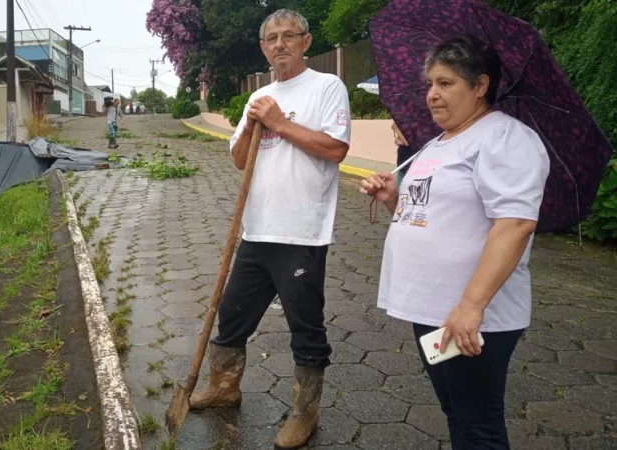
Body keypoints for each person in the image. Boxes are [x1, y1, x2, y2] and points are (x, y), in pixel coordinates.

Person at [361, 35, 550, 450]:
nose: (432, 95)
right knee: (456, 411)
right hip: (431, 309)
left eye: (445, 84)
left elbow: (516, 223)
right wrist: (394, 199)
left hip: (470, 316)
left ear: (480, 86)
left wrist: (471, 306)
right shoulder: (436, 143)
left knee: (479, 423)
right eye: (430, 83)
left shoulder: (504, 138)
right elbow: (428, 216)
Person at [189, 9, 351, 450]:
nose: (279, 44)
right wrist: (255, 125)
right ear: (263, 48)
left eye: (288, 36)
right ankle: (225, 387)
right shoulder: (257, 97)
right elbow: (241, 159)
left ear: (305, 41)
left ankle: (304, 414)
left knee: (306, 327)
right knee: (233, 314)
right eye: (271, 38)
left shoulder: (326, 87)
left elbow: (336, 149)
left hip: (301, 234)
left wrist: (280, 122)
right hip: (256, 231)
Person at [391, 122, 418, 187]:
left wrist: (396, 128)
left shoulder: (417, 129)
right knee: (401, 192)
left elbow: (407, 142)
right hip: (402, 165)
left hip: (411, 166)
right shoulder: (405, 127)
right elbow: (398, 141)